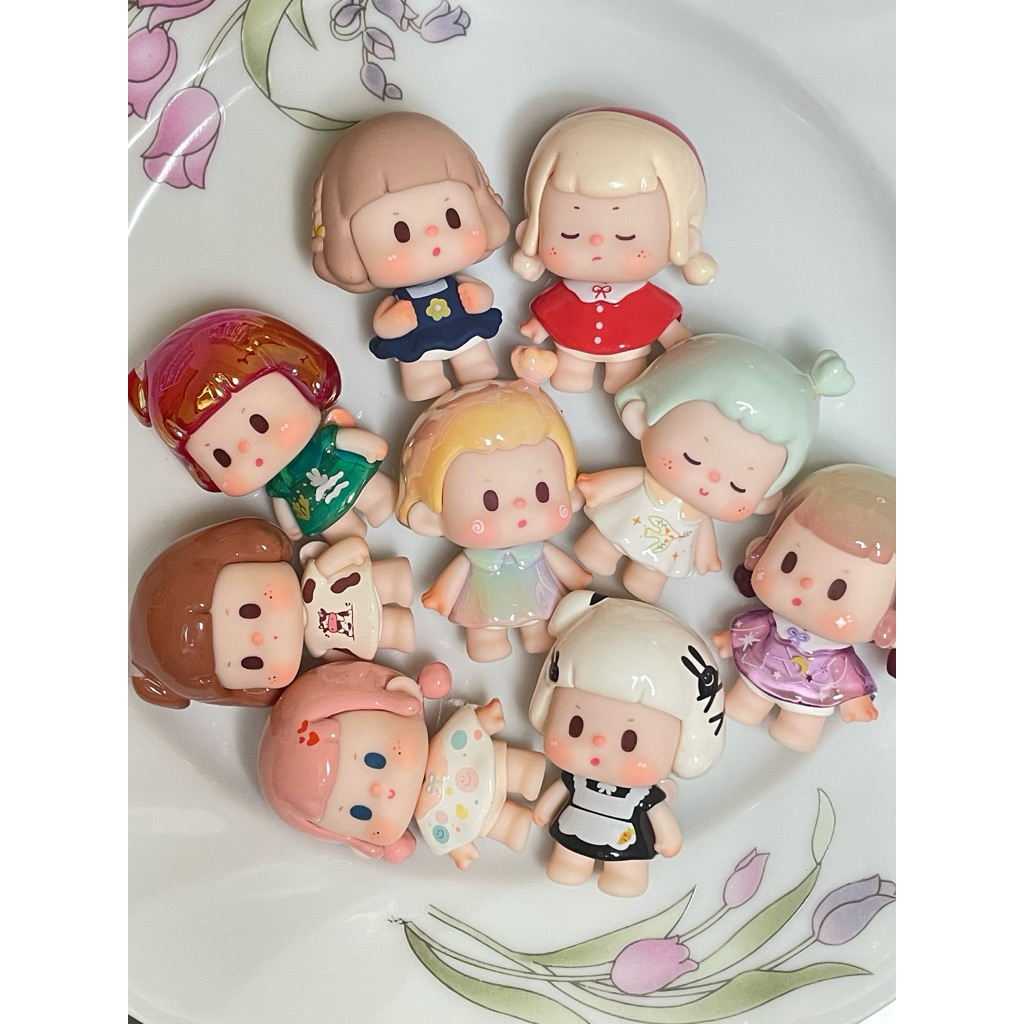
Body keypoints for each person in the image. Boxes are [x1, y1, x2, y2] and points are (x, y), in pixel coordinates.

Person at [575, 333, 855, 602]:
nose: (711, 479)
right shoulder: (647, 479)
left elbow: (703, 533)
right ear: (642, 417)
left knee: (654, 571)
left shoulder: (701, 514)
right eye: (692, 458)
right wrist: (595, 486)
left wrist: (706, 556)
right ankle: (601, 549)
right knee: (604, 541)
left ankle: (647, 576)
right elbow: (619, 482)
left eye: (738, 486)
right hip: (626, 518)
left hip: (671, 547)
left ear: (764, 499)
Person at [128, 308, 397, 539]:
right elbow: (280, 500)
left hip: (347, 472)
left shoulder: (322, 441)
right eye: (222, 457)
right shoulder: (279, 482)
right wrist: (292, 526)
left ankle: (382, 502)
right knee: (344, 535)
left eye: (260, 423)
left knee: (377, 495)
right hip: (317, 510)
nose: (249, 450)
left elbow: (347, 440)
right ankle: (348, 536)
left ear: (300, 384)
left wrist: (371, 446)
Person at [397, 347, 592, 661]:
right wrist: (441, 595)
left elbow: (564, 568)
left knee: (541, 623)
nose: (520, 509)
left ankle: (537, 635)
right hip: (484, 595)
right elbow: (455, 576)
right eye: (490, 501)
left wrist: (577, 578)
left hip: (538, 592)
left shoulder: (539, 549)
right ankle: (487, 642)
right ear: (432, 517)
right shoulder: (472, 557)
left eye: (543, 492)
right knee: (483, 627)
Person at [529, 591, 725, 897]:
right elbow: (558, 792)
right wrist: (543, 810)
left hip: (626, 837)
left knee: (627, 862)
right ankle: (570, 864)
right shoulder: (574, 779)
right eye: (575, 725)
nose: (598, 743)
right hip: (575, 825)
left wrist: (668, 838)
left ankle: (627, 876)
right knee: (569, 852)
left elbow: (659, 814)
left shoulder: (645, 794)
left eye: (629, 741)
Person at [511, 107, 717, 392]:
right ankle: (573, 375)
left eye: (625, 236)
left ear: (678, 237)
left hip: (629, 352)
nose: (596, 242)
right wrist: (539, 326)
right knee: (568, 374)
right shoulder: (567, 291)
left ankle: (622, 380)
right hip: (572, 346)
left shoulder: (643, 295)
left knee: (627, 379)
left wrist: (677, 340)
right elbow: (553, 308)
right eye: (570, 234)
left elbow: (660, 318)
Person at [312, 112, 510, 401]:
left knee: (476, 361)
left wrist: (478, 297)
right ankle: (424, 382)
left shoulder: (458, 281)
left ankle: (477, 369)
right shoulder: (399, 297)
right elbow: (381, 325)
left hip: (463, 328)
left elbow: (485, 296)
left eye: (452, 217)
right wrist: (395, 321)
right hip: (418, 340)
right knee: (419, 366)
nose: (433, 237)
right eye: (401, 231)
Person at [712, 464, 896, 752]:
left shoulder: (837, 655)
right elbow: (754, 629)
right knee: (742, 705)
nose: (805, 585)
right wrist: (730, 638)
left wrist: (855, 700)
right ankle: (746, 706)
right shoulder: (772, 622)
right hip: (760, 670)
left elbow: (846, 673)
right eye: (789, 562)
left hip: (813, 693)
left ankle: (798, 731)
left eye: (837, 589)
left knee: (800, 727)